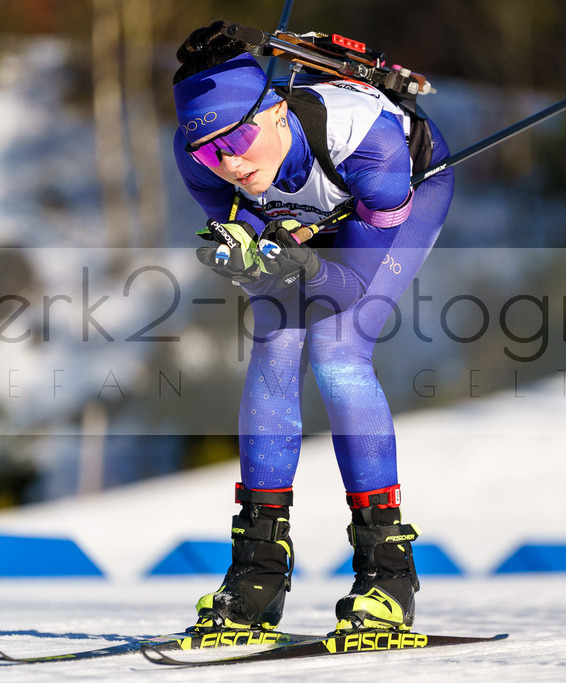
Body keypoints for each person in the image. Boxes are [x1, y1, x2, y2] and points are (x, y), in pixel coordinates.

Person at [171, 20, 454, 634]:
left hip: (394, 193)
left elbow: (348, 285)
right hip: (305, 216)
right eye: (208, 152)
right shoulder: (205, 161)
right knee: (273, 345)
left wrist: (295, 264)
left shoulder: (370, 142)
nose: (230, 162)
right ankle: (257, 571)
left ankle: (387, 573)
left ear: (273, 110)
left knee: (336, 350)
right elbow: (250, 246)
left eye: (240, 136)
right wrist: (251, 265)